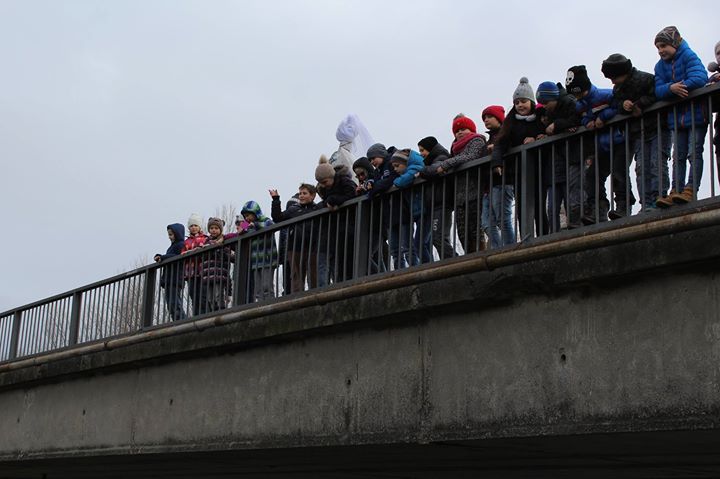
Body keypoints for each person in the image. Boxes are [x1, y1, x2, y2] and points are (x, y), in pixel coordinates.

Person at [601, 53, 670, 213]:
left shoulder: (646, 79)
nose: (612, 82)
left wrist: (639, 104)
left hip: (657, 127)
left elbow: (655, 95)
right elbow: (616, 104)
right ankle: (646, 203)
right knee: (641, 168)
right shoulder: (618, 89)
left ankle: (659, 198)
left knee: (656, 163)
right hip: (638, 132)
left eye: (614, 77)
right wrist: (623, 105)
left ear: (622, 73)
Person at [566, 65, 634, 224]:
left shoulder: (605, 95)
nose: (578, 96)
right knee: (592, 176)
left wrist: (603, 117)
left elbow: (619, 107)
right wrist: (587, 122)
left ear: (586, 88)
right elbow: (582, 118)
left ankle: (623, 206)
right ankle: (598, 209)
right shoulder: (580, 105)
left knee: (619, 173)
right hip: (602, 146)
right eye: (575, 94)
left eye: (580, 93)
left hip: (620, 140)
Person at [653, 26, 709, 205]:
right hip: (676, 119)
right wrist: (671, 88)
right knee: (678, 156)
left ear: (675, 44)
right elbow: (657, 90)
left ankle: (690, 189)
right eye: (658, 47)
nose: (660, 50)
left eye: (663, 46)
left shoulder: (689, 56)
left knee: (694, 153)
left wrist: (678, 86)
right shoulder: (659, 66)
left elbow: (700, 77)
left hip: (696, 114)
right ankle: (675, 190)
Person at [491, 77, 547, 237]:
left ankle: (543, 236)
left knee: (540, 205)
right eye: (517, 103)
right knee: (523, 207)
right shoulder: (511, 122)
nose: (520, 105)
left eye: (523, 101)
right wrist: (497, 163)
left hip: (539, 167)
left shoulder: (541, 117)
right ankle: (525, 238)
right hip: (519, 171)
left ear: (531, 102)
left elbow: (546, 132)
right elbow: (500, 144)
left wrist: (536, 138)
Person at [434, 115, 487, 254]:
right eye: (457, 131)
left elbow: (471, 156)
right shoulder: (454, 149)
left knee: (476, 229)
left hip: (475, 191)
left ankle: (480, 255)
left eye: (463, 129)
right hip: (460, 196)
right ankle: (469, 257)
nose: (460, 132)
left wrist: (447, 164)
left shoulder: (477, 140)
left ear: (471, 129)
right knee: (463, 232)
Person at [535, 81, 582, 230]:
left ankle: (575, 229)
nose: (544, 106)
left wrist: (558, 126)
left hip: (570, 159)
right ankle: (554, 234)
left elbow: (577, 118)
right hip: (555, 167)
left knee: (571, 201)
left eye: (546, 102)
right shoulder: (551, 111)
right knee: (552, 208)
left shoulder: (569, 102)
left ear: (553, 98)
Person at [270, 183, 321, 293]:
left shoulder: (317, 208)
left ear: (313, 196)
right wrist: (276, 199)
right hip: (295, 247)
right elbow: (277, 218)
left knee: (314, 274)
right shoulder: (293, 209)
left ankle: (315, 296)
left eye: (304, 193)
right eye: (300, 193)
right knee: (296, 276)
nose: (301, 196)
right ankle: (297, 297)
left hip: (313, 247)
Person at [316, 158, 357, 283]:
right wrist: (328, 203)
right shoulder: (328, 188)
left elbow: (352, 195)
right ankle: (342, 281)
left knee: (349, 258)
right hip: (338, 228)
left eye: (325, 182)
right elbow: (326, 202)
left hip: (350, 225)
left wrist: (334, 200)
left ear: (331, 176)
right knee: (340, 259)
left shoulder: (345, 181)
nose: (324, 185)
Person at [480, 105, 517, 247]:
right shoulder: (489, 139)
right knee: (486, 223)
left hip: (503, 181)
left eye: (490, 117)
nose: (486, 120)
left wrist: (496, 147)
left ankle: (510, 247)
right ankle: (498, 248)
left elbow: (508, 148)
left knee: (503, 219)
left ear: (499, 118)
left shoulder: (506, 134)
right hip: (489, 186)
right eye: (484, 118)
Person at [390, 148, 432, 266]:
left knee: (419, 242)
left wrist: (396, 181)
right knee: (423, 242)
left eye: (397, 166)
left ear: (406, 163)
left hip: (424, 210)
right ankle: (428, 264)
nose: (395, 169)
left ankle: (428, 266)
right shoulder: (411, 170)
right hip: (418, 211)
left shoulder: (415, 168)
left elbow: (401, 182)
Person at [418, 136, 456, 259]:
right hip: (437, 203)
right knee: (440, 238)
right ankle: (450, 261)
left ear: (430, 148)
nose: (421, 154)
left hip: (442, 202)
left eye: (422, 150)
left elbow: (434, 170)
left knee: (438, 237)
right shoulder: (433, 159)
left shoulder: (441, 157)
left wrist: (421, 171)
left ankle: (454, 260)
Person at [238, 201, 278, 302]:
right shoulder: (247, 224)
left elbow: (271, 225)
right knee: (258, 288)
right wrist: (242, 229)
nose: (247, 218)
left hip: (267, 259)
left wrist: (255, 224)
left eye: (248, 215)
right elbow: (239, 232)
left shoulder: (265, 220)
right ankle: (260, 304)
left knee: (266, 285)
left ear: (256, 213)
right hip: (255, 261)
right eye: (245, 216)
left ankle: (269, 302)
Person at [154, 223, 186, 322]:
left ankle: (181, 320)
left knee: (174, 302)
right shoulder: (171, 247)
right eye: (169, 235)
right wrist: (160, 256)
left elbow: (178, 257)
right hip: (169, 279)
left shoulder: (181, 245)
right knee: (170, 304)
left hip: (175, 278)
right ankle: (176, 320)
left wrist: (163, 257)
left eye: (171, 234)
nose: (169, 237)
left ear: (177, 234)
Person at [200, 217, 232, 312]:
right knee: (210, 297)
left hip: (219, 274)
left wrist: (218, 247)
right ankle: (213, 312)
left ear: (220, 230)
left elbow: (227, 255)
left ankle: (221, 311)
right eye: (211, 228)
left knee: (218, 294)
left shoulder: (224, 240)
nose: (213, 230)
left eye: (216, 228)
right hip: (208, 274)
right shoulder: (206, 242)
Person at [181, 213, 208, 316]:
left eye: (196, 225)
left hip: (202, 271)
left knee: (203, 295)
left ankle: (203, 314)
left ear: (200, 227)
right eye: (191, 226)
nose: (193, 228)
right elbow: (182, 254)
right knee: (193, 295)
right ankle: (196, 315)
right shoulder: (186, 242)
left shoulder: (205, 238)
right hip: (190, 273)